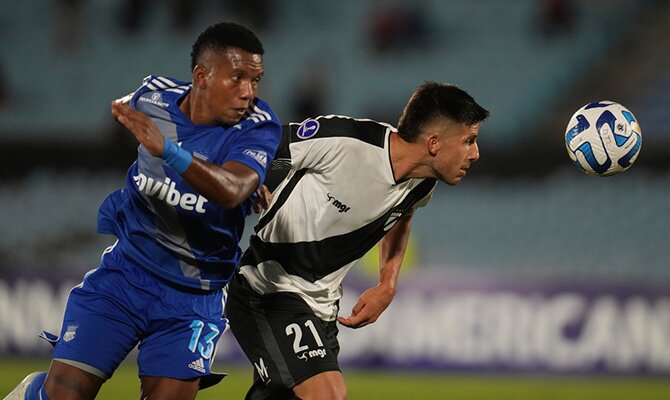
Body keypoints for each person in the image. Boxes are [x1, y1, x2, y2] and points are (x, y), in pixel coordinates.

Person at [5, 22, 281, 400]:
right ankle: (34, 391)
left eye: (256, 80)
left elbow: (232, 190)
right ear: (202, 76)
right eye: (237, 78)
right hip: (125, 275)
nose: (248, 93)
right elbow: (123, 106)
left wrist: (170, 152)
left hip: (194, 296)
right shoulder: (154, 96)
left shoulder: (258, 126)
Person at [225, 82, 489, 399]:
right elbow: (267, 144)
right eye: (469, 141)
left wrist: (387, 283)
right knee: (328, 394)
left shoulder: (422, 185)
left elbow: (402, 214)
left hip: (322, 309)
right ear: (433, 142)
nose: (475, 153)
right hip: (268, 289)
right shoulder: (347, 141)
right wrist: (249, 179)